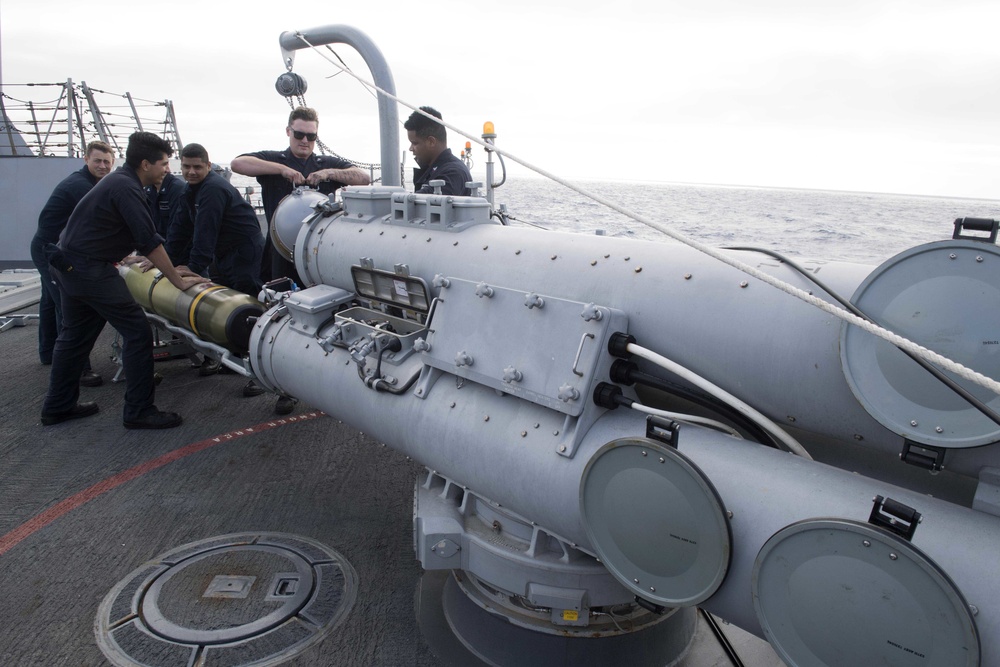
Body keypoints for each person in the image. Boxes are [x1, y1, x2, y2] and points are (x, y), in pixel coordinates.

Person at [40, 132, 208, 429]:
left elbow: (116, 231)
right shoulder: (127, 188)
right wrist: (177, 281)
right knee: (137, 332)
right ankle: (139, 410)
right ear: (146, 164)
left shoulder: (117, 181)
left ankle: (58, 406)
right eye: (164, 163)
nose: (167, 169)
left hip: (70, 264)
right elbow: (149, 241)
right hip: (89, 270)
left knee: (74, 337)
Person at [231, 106, 371, 286]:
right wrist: (281, 170)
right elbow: (238, 164)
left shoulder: (325, 164)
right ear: (288, 131)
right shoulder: (274, 160)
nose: (305, 140)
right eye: (299, 134)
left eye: (311, 136)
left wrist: (328, 173)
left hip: (318, 252)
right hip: (280, 250)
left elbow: (364, 178)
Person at [30, 141, 115, 386]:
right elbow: (100, 223)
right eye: (97, 160)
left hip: (46, 246)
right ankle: (77, 370)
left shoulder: (85, 182)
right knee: (67, 308)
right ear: (86, 159)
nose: (102, 166)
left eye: (106, 162)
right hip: (52, 251)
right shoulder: (81, 187)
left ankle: (48, 353)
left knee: (48, 301)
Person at [404, 106, 473, 197]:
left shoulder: (453, 173)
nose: (411, 148)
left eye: (414, 143)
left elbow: (424, 201)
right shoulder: (437, 170)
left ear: (431, 142)